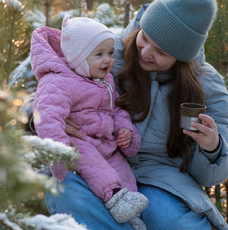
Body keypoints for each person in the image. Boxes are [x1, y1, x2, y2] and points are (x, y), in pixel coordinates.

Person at [25, 0, 228, 230]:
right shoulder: (109, 51)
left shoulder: (208, 85)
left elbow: (213, 177)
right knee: (63, 189)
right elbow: (51, 86)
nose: (145, 52)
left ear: (182, 56)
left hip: (162, 178)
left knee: (167, 219)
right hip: (97, 161)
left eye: (161, 51)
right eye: (144, 38)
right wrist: (34, 117)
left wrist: (212, 147)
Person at [30, 15, 149, 228]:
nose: (108, 60)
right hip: (79, 141)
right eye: (99, 54)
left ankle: (131, 215)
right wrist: (58, 153)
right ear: (78, 57)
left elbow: (117, 107)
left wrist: (125, 129)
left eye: (110, 53)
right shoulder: (59, 81)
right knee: (96, 168)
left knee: (123, 173)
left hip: (106, 142)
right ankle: (114, 197)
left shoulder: (105, 79)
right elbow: (47, 117)